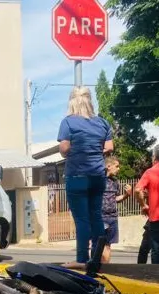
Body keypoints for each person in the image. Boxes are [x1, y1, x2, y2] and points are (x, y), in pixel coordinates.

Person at [57, 86, 114, 268]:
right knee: (96, 216)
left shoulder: (68, 122)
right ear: (90, 101)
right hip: (98, 175)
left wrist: (76, 151)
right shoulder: (103, 123)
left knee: (82, 220)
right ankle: (96, 258)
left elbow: (64, 149)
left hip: (77, 175)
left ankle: (82, 260)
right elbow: (110, 147)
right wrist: (95, 150)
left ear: (72, 102)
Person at [101, 157, 129, 264]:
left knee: (108, 245)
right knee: (95, 244)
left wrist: (126, 195)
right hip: (99, 217)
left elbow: (115, 198)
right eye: (116, 166)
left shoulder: (115, 182)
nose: (119, 169)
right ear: (108, 166)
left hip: (112, 218)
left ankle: (105, 270)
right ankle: (94, 269)